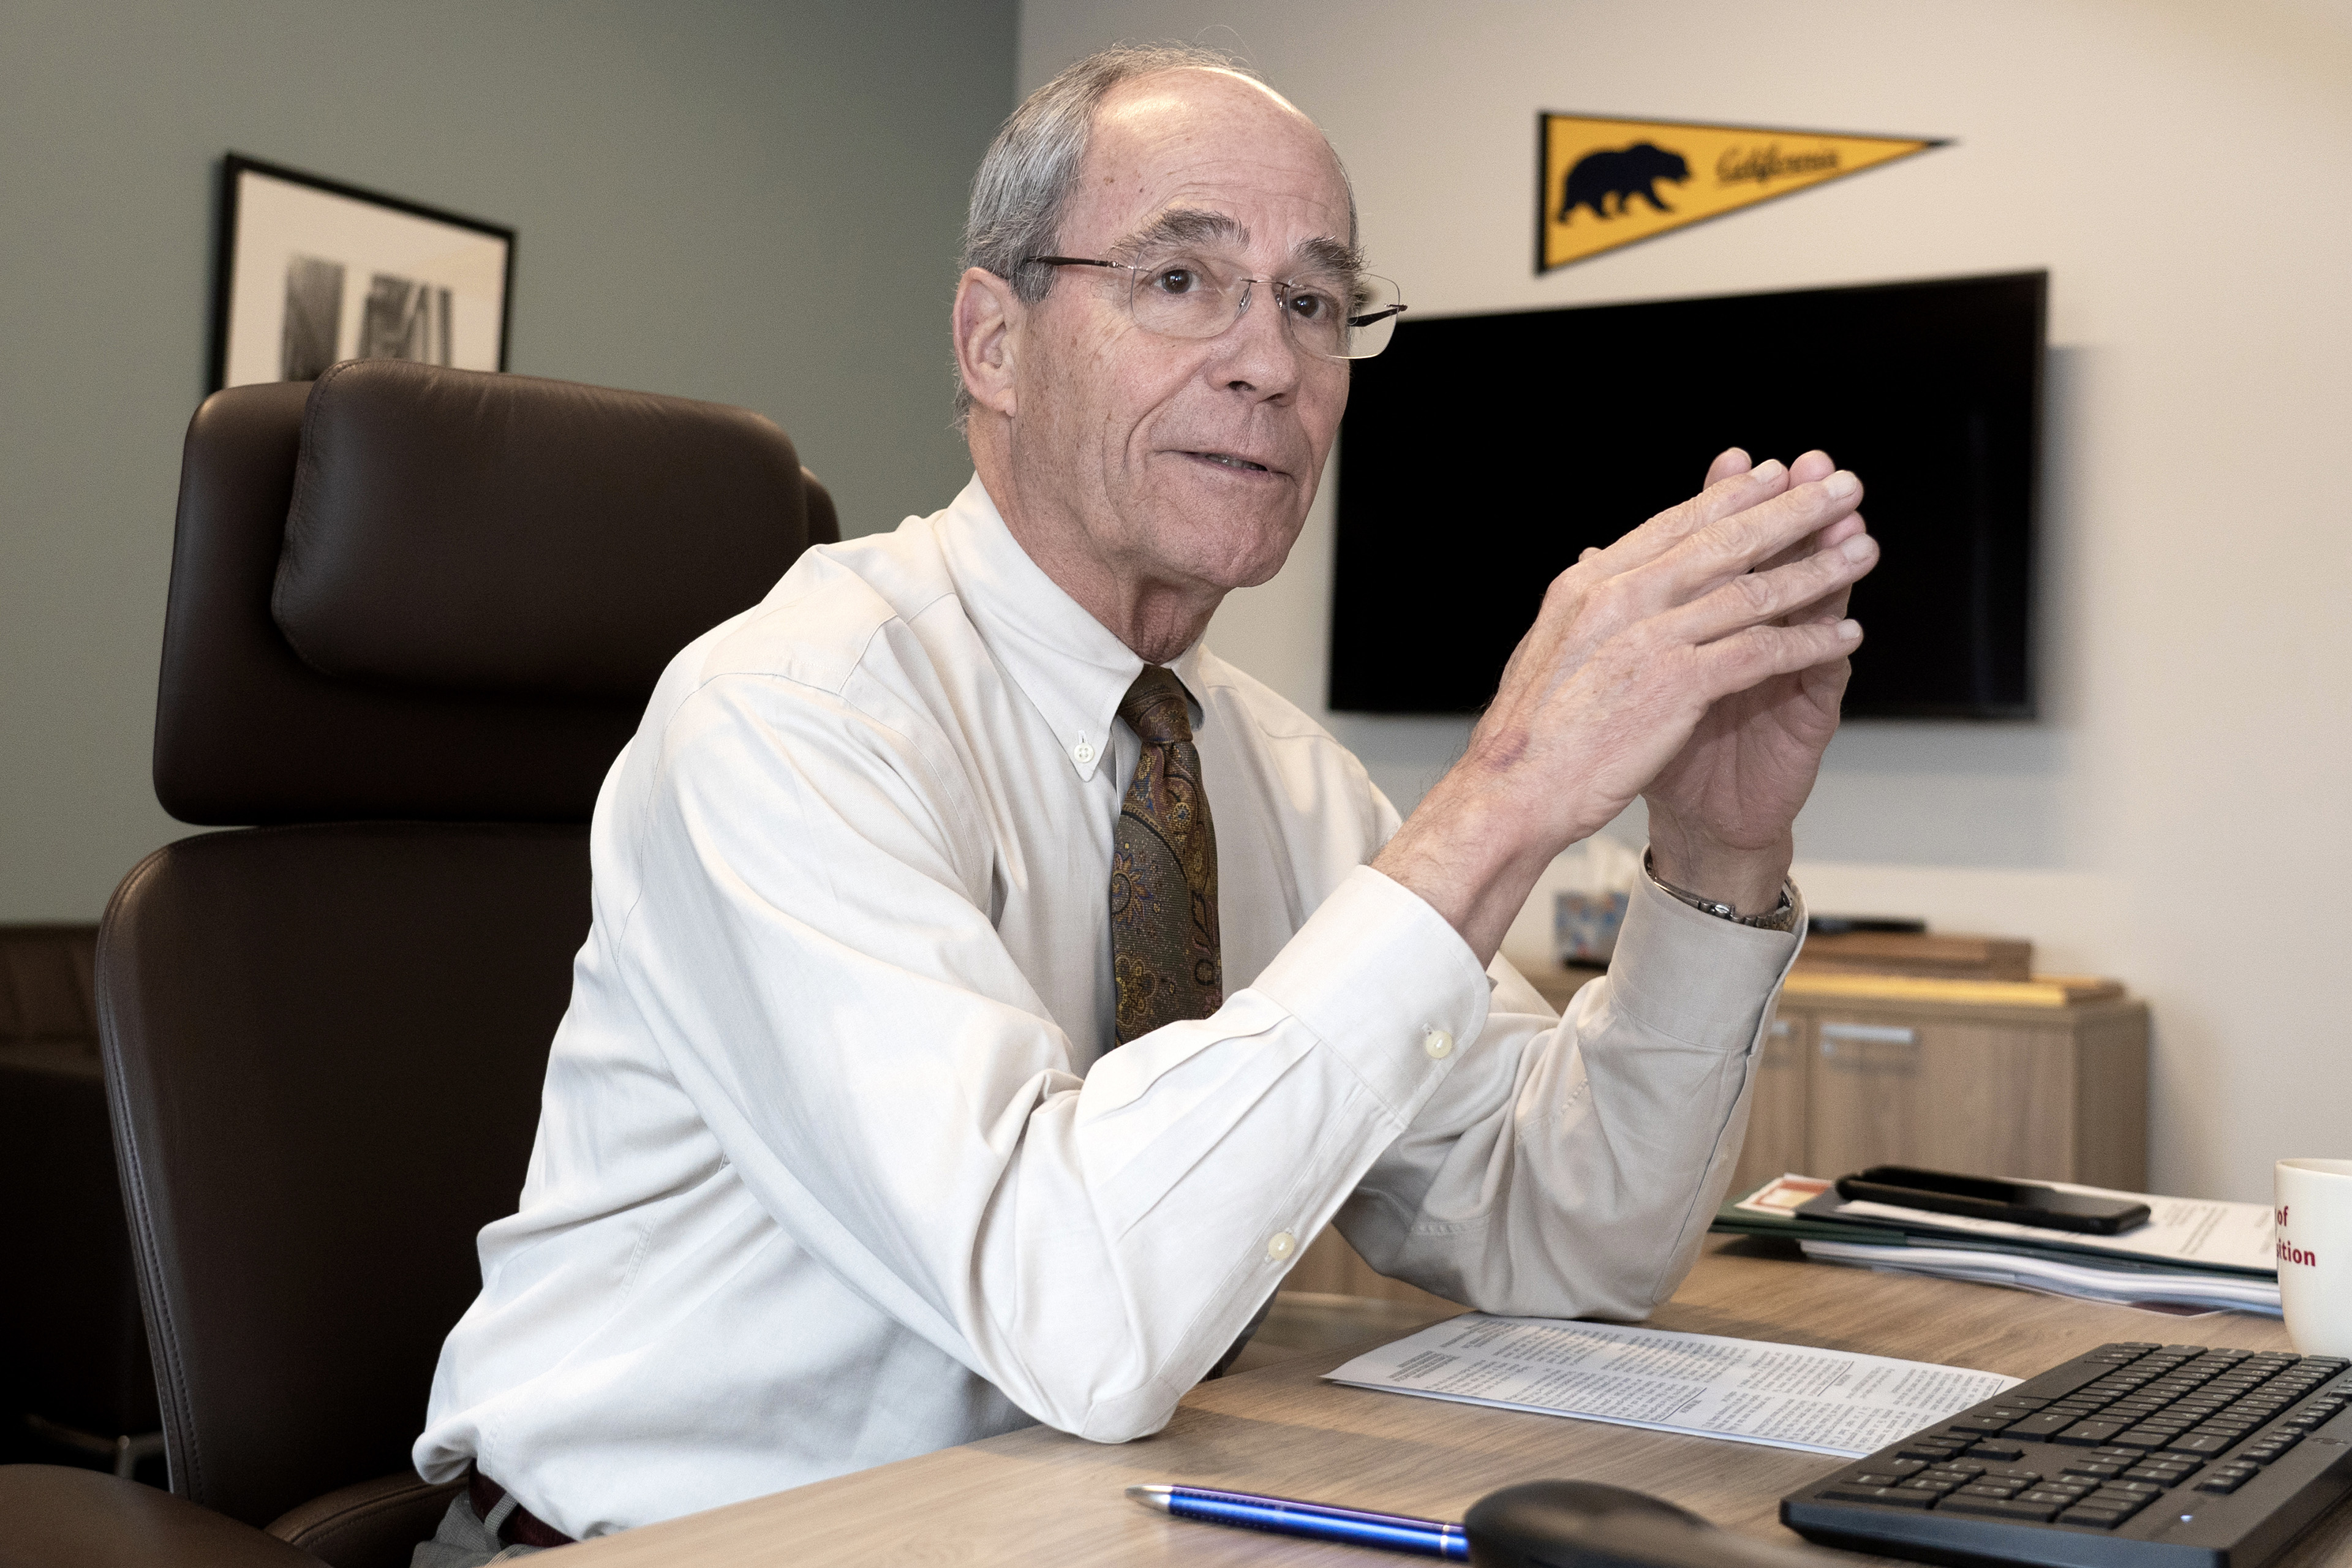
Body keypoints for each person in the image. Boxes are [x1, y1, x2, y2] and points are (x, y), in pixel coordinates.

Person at [409, 42, 1877, 1562]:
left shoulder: (1281, 776)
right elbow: (1079, 1311)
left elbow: (1572, 1238)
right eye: (1181, 279)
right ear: (994, 341)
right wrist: (1505, 796)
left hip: (1060, 1527)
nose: (1269, 362)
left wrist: (1713, 853)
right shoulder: (790, 716)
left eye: (1314, 302)